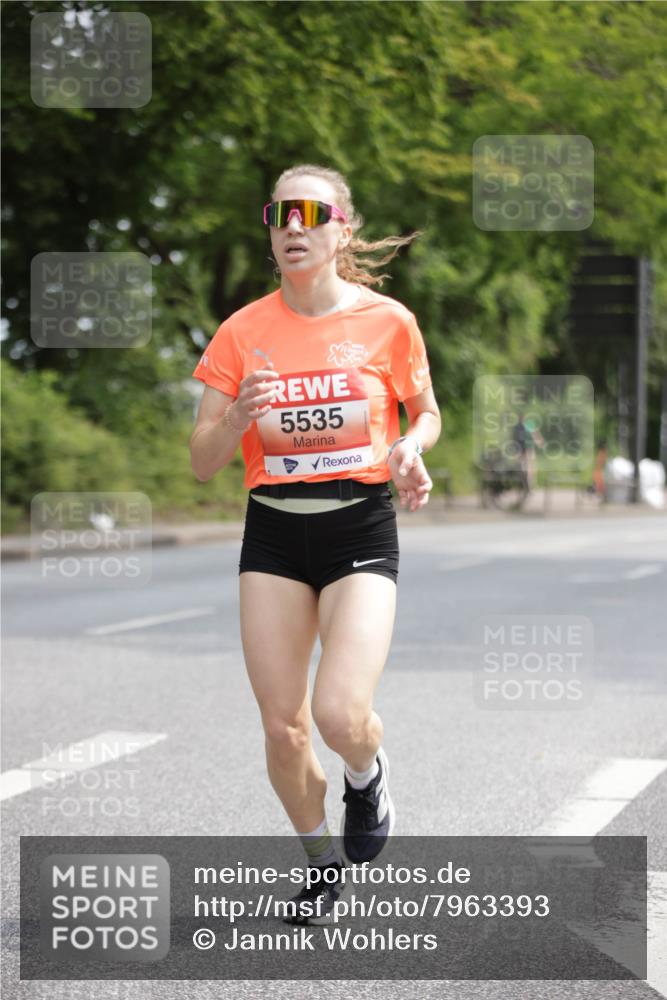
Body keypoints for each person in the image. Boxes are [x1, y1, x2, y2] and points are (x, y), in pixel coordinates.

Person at [189, 164, 441, 925]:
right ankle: (321, 865)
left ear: (343, 228)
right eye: (279, 213)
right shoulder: (241, 331)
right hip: (271, 530)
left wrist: (408, 449)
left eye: (311, 212)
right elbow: (200, 462)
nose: (293, 226)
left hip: (358, 526)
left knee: (337, 714)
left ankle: (365, 774)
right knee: (283, 724)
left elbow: (424, 411)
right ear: (270, 231)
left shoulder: (387, 322)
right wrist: (235, 422)